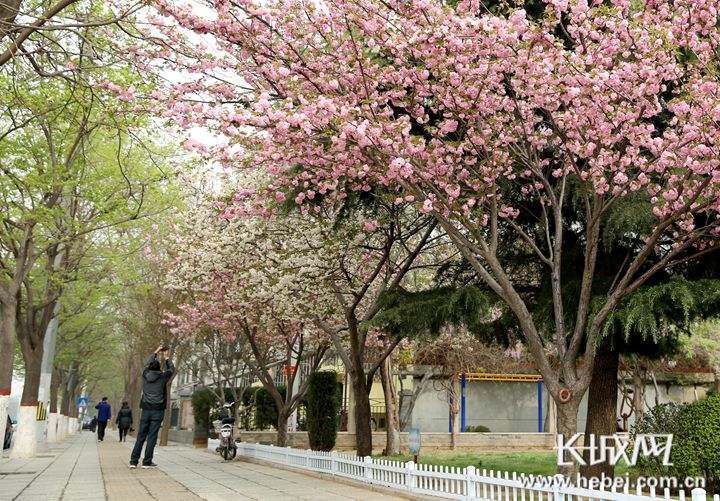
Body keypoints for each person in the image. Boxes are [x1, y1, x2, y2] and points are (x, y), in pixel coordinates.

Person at [129, 345, 174, 469]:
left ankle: (133, 462)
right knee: (152, 436)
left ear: (149, 368)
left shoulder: (145, 375)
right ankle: (146, 462)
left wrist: (156, 352)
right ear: (160, 369)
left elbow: (146, 364)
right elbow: (171, 369)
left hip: (146, 410)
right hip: (158, 410)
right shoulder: (163, 377)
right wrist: (166, 357)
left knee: (141, 436)